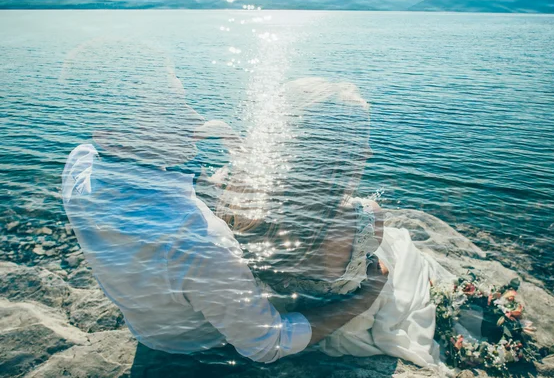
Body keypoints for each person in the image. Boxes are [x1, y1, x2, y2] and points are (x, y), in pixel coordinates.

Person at [60, 39, 388, 364]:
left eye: (182, 101)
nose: (193, 121)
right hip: (204, 344)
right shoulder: (199, 241)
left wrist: (232, 142)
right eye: (169, 108)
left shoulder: (81, 162)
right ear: (109, 133)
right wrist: (365, 299)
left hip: (148, 327)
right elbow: (269, 344)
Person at [210, 77, 457, 373]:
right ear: (335, 156)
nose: (368, 152)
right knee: (394, 249)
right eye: (359, 143)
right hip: (339, 325)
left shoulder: (237, 205)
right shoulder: (366, 217)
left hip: (280, 315)